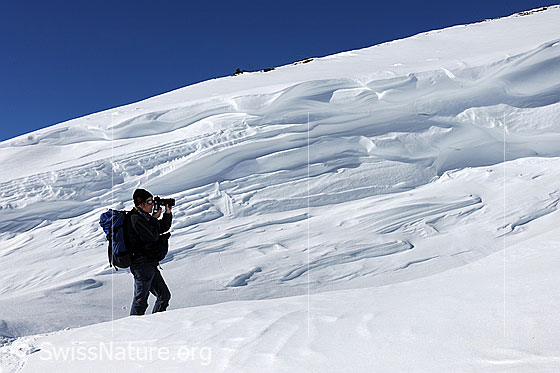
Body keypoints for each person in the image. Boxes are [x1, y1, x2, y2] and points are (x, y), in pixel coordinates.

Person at [125, 188, 172, 316]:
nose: (152, 205)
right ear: (140, 204)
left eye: (152, 201)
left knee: (164, 295)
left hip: (149, 264)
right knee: (141, 301)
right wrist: (154, 218)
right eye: (149, 202)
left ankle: (155, 323)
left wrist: (167, 214)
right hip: (141, 265)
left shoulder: (144, 217)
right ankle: (131, 329)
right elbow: (151, 236)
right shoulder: (135, 219)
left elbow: (161, 228)